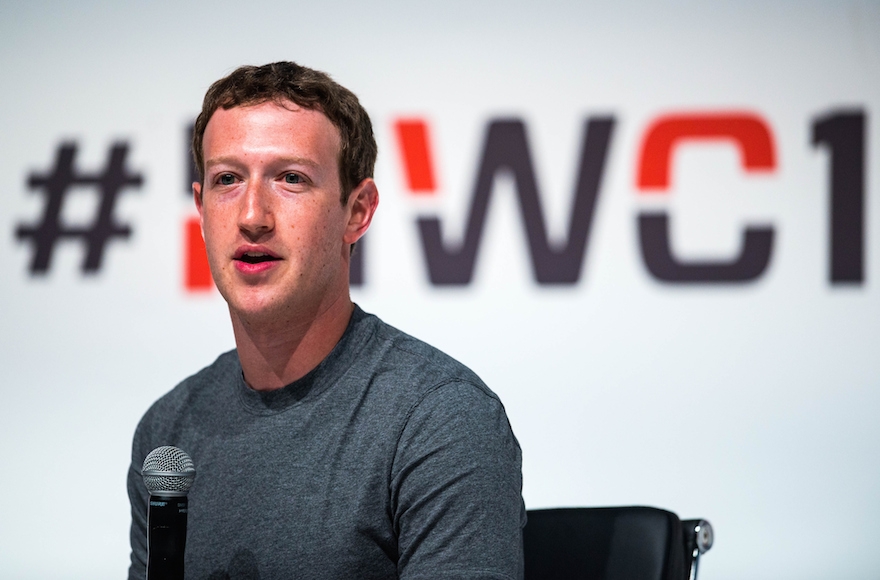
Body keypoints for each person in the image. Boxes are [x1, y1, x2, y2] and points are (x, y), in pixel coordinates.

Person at [127, 61, 526, 580]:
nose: (252, 216)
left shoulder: (439, 420)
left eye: (290, 178)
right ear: (201, 209)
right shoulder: (169, 433)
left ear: (357, 211)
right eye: (227, 179)